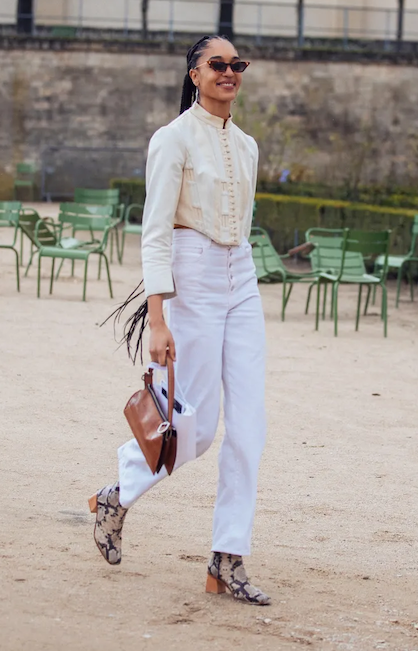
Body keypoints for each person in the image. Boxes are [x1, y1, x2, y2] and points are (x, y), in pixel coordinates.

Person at [90, 35, 270, 606]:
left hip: (240, 274)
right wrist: (159, 318)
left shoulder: (247, 146)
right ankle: (119, 490)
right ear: (194, 74)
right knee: (193, 428)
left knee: (249, 426)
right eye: (218, 64)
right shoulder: (171, 140)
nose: (229, 73)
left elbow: (240, 227)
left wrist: (238, 272)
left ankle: (227, 557)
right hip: (190, 275)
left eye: (236, 65)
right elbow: (156, 230)